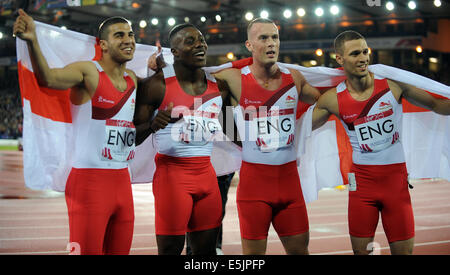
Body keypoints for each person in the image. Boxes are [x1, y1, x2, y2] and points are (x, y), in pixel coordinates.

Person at [312, 30, 450, 255]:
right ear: (339, 59)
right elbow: (301, 128)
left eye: (365, 51)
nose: (363, 58)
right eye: (355, 53)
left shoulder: (393, 86)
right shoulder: (332, 100)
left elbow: (437, 105)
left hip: (396, 184)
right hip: (362, 187)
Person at [14, 10, 138, 255]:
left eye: (131, 34)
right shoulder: (88, 71)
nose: (128, 40)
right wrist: (33, 40)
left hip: (123, 181)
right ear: (102, 44)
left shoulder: (133, 78)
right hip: (89, 184)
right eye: (119, 35)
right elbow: (48, 78)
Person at [213, 18, 321, 255]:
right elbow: (199, 92)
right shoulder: (232, 78)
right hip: (254, 188)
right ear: (249, 45)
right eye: (263, 38)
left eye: (275, 37)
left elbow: (327, 103)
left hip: (290, 185)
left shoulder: (294, 77)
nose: (271, 43)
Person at [134, 23, 223, 255]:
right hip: (172, 178)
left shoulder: (219, 87)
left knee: (206, 253)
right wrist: (154, 125)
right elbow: (131, 138)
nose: (200, 45)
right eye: (190, 41)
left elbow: (234, 132)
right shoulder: (155, 86)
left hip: (207, 176)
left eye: (202, 40)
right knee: (170, 251)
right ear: (174, 52)